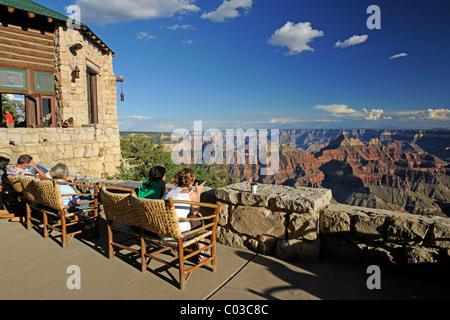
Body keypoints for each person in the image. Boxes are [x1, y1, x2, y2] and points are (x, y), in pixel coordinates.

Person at [163, 168, 207, 261]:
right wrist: (198, 192)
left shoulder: (168, 191)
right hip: (177, 235)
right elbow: (194, 212)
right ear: (191, 181)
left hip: (164, 233)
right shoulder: (191, 194)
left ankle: (193, 246)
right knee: (199, 218)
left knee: (189, 219)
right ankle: (201, 254)